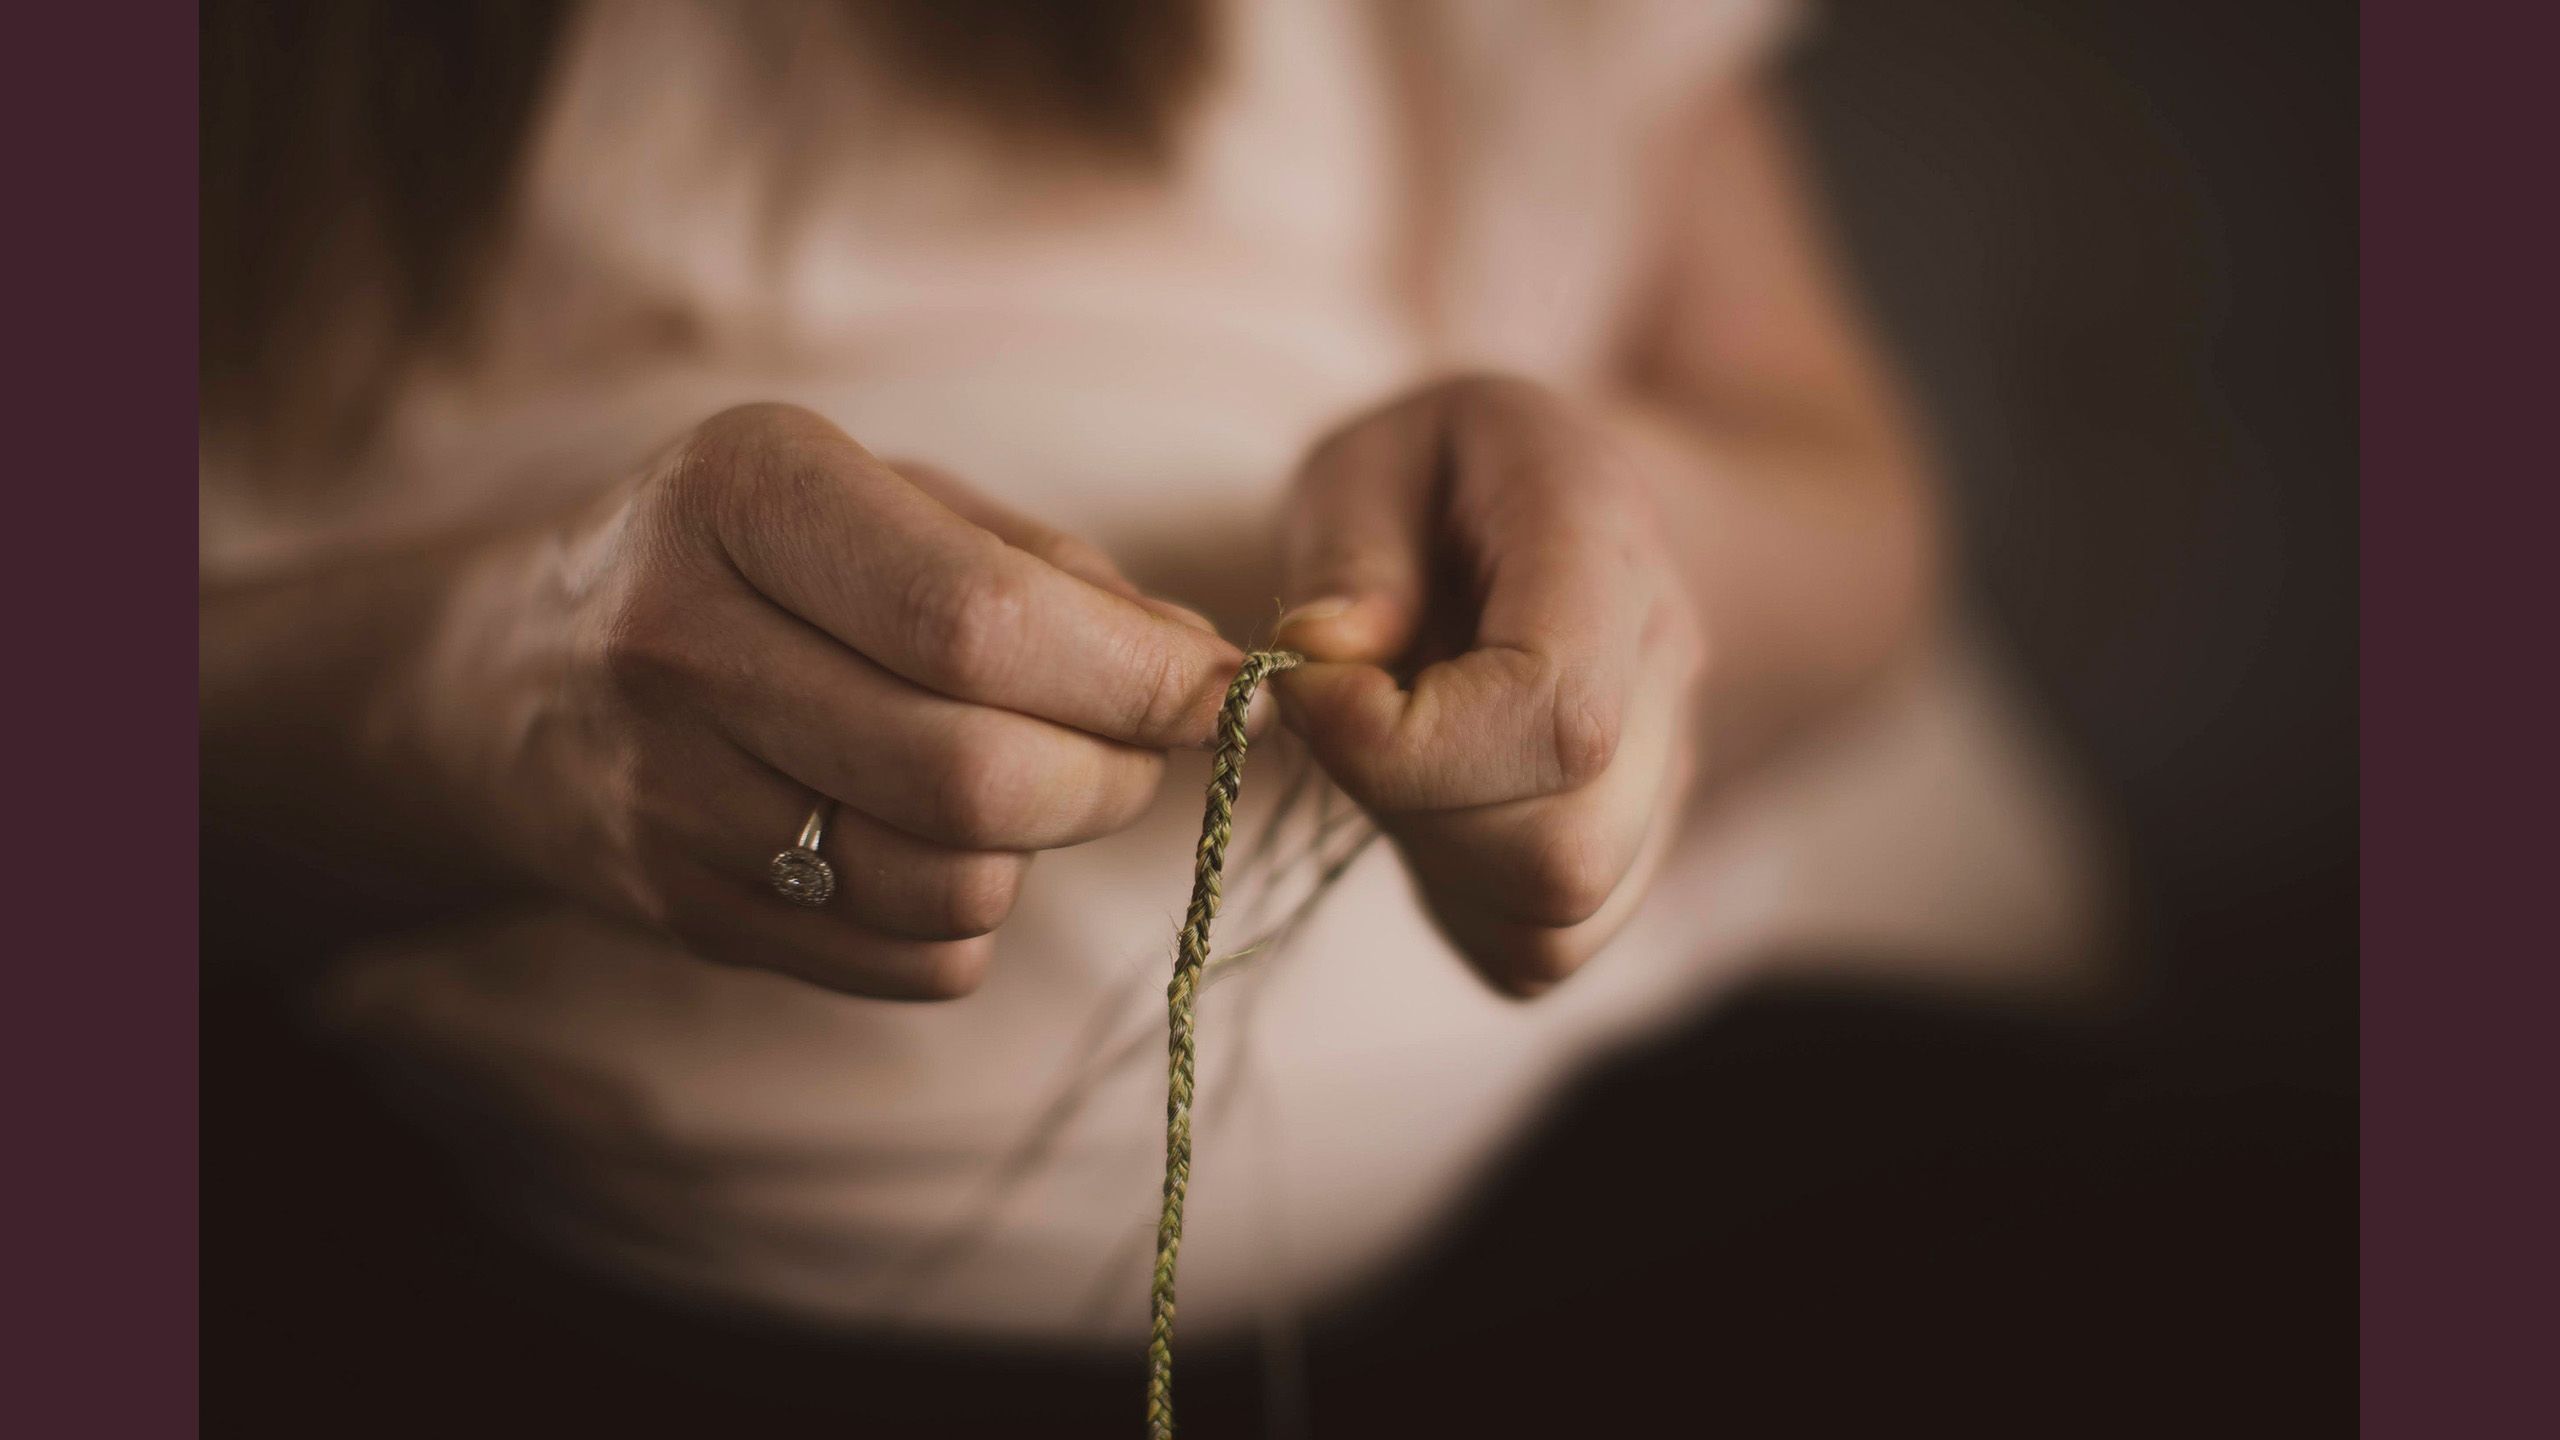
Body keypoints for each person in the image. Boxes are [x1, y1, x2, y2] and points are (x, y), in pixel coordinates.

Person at [202, 0, 2100, 1348]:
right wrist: (459, 697)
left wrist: (1640, 563)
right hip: (423, 1248)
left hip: (1629, 1206)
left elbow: (1835, 488)